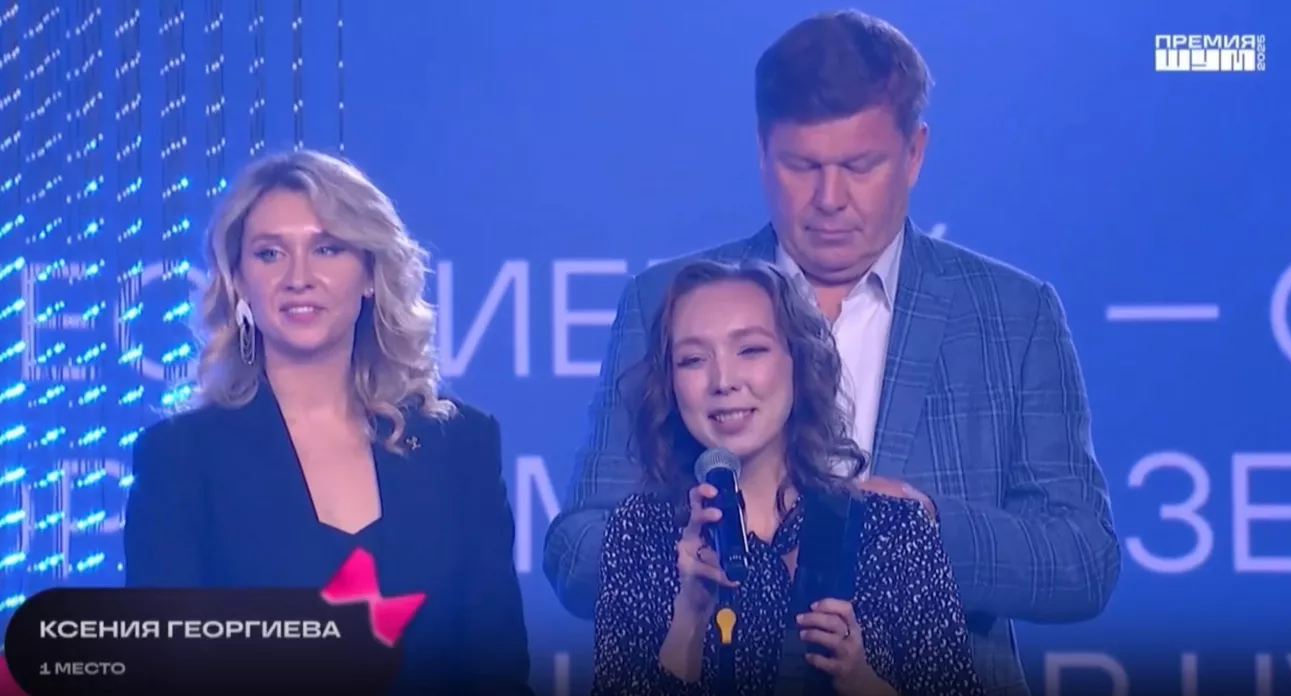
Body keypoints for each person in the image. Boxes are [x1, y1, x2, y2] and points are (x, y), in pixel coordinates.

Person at [546, 10, 1120, 695]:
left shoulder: (1012, 315)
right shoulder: (667, 302)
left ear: (914, 153)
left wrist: (920, 530)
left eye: (858, 166)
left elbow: (1084, 561)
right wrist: (682, 556)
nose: (829, 199)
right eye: (802, 166)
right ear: (762, 151)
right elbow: (574, 550)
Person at [123, 150, 532, 695]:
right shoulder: (180, 459)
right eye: (270, 253)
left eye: (327, 248)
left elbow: (497, 674)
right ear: (238, 280)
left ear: (370, 273)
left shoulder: (459, 445)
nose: (299, 278)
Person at [592, 259, 983, 696]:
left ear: (799, 361)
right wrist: (689, 615)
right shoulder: (641, 531)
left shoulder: (894, 532)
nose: (723, 381)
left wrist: (863, 682)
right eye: (693, 359)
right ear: (670, 382)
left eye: (750, 350)